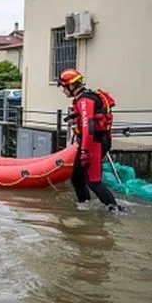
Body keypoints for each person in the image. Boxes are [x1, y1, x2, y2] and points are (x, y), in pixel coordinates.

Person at [57, 68, 122, 211]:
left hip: (92, 144)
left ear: (72, 86)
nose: (63, 91)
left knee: (94, 182)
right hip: (92, 142)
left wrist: (85, 151)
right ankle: (84, 205)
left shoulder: (85, 100)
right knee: (76, 177)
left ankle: (115, 210)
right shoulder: (85, 98)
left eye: (63, 87)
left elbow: (88, 127)